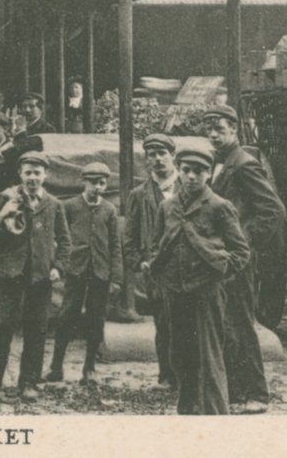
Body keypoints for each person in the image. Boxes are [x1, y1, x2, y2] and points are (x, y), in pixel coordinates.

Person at [146, 146, 251, 415]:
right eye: (186, 170)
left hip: (206, 290)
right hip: (175, 290)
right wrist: (161, 275)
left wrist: (219, 278)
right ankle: (188, 407)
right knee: (180, 352)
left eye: (199, 171)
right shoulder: (167, 206)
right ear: (179, 172)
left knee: (210, 354)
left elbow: (240, 252)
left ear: (208, 173)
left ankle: (215, 413)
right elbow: (157, 245)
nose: (192, 176)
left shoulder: (219, 206)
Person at [0, 151, 71, 404]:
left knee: (36, 330)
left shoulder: (54, 204)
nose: (33, 178)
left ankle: (29, 383)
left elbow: (65, 241)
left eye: (37, 173)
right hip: (10, 274)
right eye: (28, 173)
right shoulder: (7, 197)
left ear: (45, 175)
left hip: (40, 277)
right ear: (20, 174)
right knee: (1, 327)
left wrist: (58, 266)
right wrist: (5, 215)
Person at [205, 104, 285, 415]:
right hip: (222, 258)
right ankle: (235, 392)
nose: (213, 135)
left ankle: (256, 394)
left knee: (242, 324)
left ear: (234, 131)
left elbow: (273, 210)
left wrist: (244, 243)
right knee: (227, 324)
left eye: (220, 130)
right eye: (209, 130)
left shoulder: (244, 164)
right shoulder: (221, 162)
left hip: (237, 259)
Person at [47, 162, 122, 385]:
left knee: (95, 320)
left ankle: (89, 368)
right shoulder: (69, 206)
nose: (97, 187)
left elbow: (115, 245)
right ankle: (56, 367)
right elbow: (58, 238)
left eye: (102, 183)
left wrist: (116, 277)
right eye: (93, 182)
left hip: (100, 272)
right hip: (76, 270)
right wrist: (60, 263)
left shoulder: (109, 210)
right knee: (66, 317)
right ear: (84, 182)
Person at [123, 133, 180, 389]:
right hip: (157, 270)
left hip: (188, 267)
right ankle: (167, 376)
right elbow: (130, 236)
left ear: (172, 156)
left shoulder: (190, 186)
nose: (157, 159)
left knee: (191, 324)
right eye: (152, 155)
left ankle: (191, 375)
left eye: (162, 153)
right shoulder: (139, 194)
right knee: (165, 324)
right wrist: (139, 263)